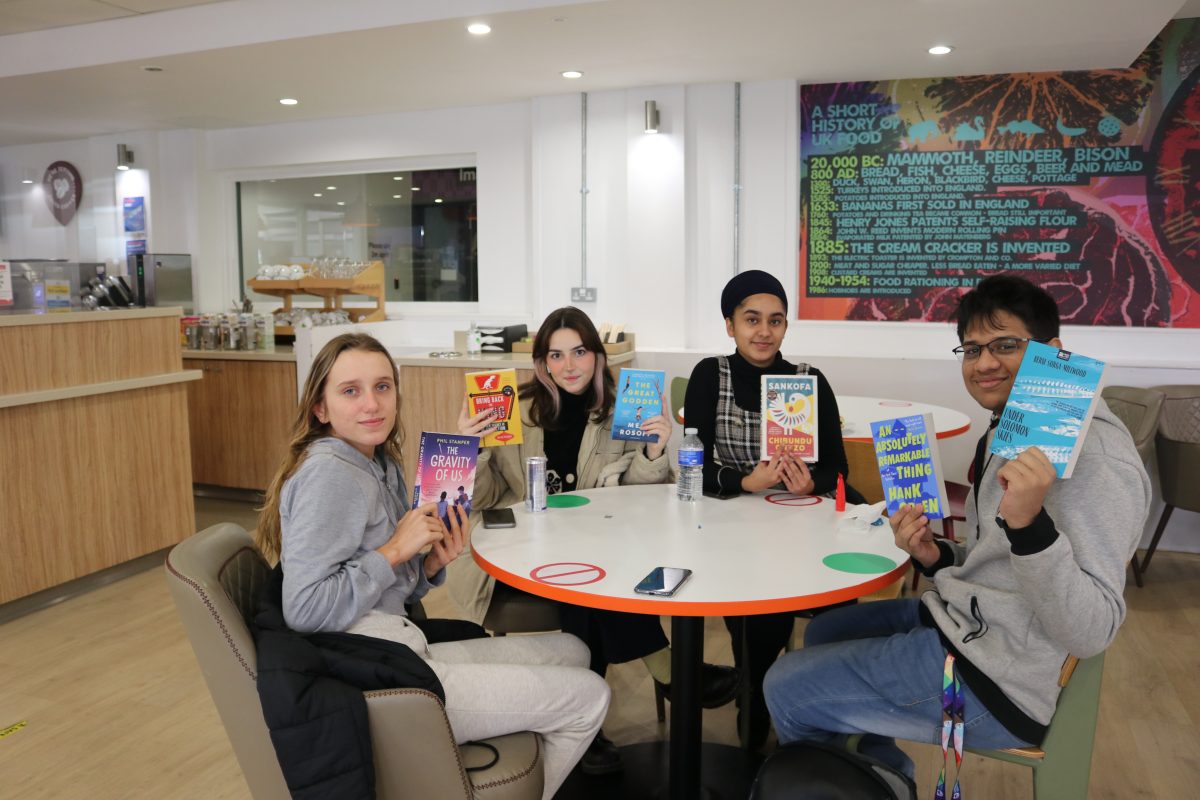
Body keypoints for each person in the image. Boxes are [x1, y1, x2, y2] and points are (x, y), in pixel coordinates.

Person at [763, 275, 1151, 779]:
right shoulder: (1011, 430)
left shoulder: (1095, 460)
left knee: (785, 684)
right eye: (972, 349)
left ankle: (857, 779)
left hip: (997, 680)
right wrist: (936, 555)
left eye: (1006, 345)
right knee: (828, 629)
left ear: (1053, 353)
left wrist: (1031, 526)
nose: (985, 363)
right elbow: (997, 558)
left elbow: (1091, 629)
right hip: (971, 622)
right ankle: (883, 776)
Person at [256, 332, 610, 800]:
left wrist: (425, 569)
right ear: (320, 409)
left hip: (395, 646)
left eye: (383, 387)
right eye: (350, 391)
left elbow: (381, 588)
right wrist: (396, 552)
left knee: (573, 649)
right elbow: (304, 608)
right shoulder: (330, 475)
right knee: (591, 697)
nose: (372, 404)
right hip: (373, 671)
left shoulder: (375, 463)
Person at [452, 306, 739, 773]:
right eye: (556, 355)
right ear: (542, 363)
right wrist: (473, 449)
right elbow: (479, 498)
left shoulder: (621, 410)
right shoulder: (511, 410)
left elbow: (639, 502)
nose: (569, 366)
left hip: (593, 550)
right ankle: (664, 664)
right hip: (520, 556)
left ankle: (585, 723)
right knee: (591, 583)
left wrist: (652, 451)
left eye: (580, 352)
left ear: (599, 358)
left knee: (592, 578)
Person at [682, 269, 852, 749]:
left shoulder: (808, 380)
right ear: (729, 324)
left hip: (797, 531)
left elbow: (839, 472)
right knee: (751, 621)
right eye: (751, 319)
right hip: (729, 530)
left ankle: (803, 707)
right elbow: (692, 468)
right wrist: (744, 480)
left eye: (775, 321)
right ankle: (754, 712)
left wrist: (808, 483)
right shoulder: (707, 375)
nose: (763, 331)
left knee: (794, 613)